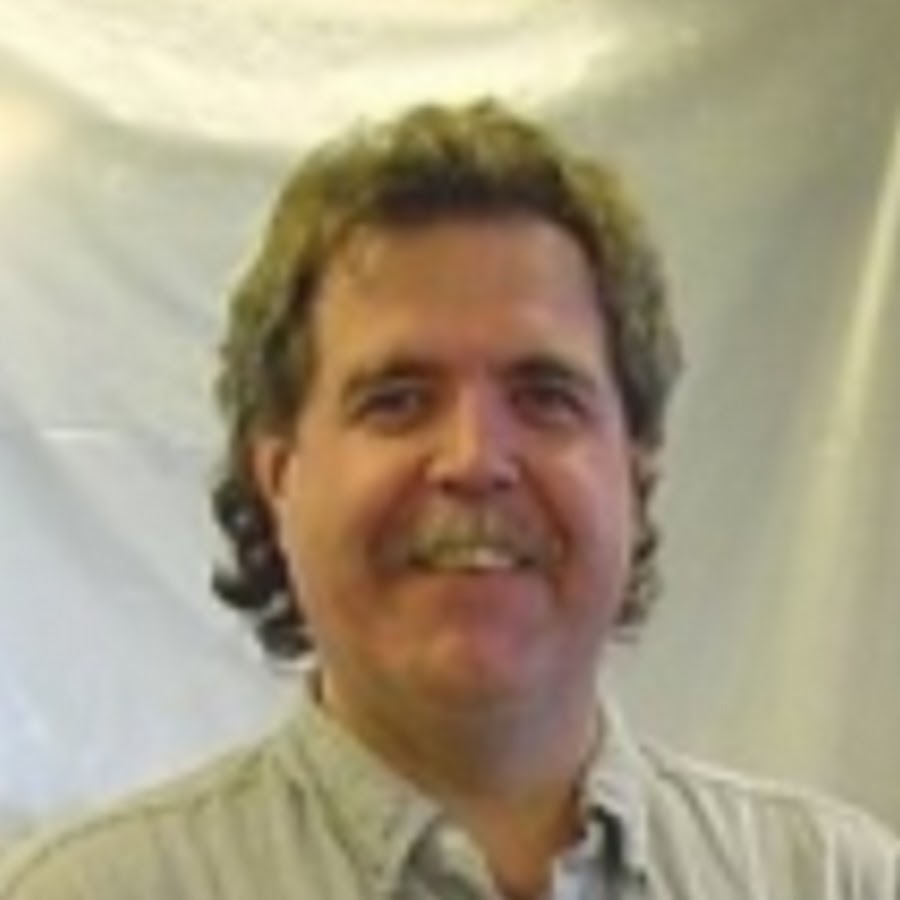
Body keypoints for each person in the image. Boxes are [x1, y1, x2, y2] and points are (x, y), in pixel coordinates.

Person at [0, 99, 896, 900]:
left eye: (545, 396)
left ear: (636, 472)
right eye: (397, 401)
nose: (473, 460)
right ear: (279, 477)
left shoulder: (834, 881)